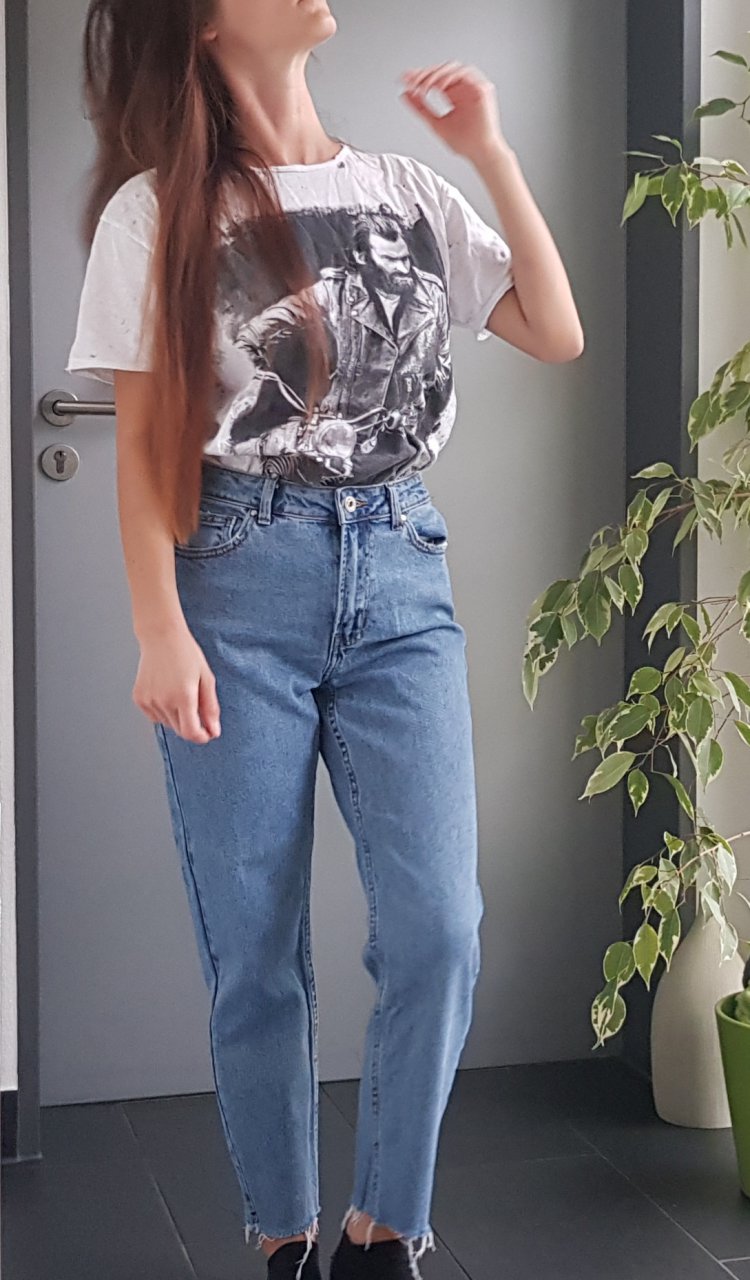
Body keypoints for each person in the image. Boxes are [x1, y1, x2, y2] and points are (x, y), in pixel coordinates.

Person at [66, 3, 585, 1279]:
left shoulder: (403, 187)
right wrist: (158, 626)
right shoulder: (155, 212)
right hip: (235, 579)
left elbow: (554, 328)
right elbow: (144, 447)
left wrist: (491, 153)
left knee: (439, 926)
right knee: (254, 949)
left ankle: (386, 1227)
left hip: (401, 569)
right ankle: (286, 1234)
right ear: (201, 24)